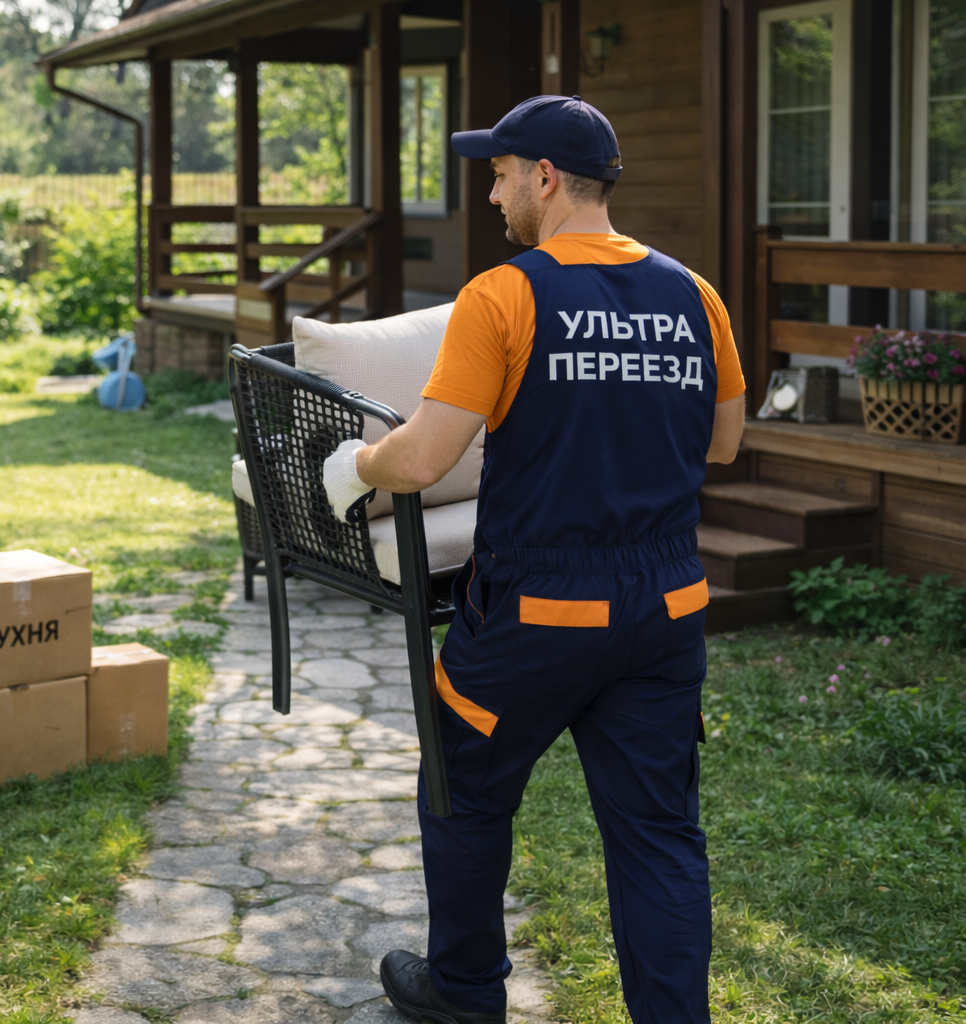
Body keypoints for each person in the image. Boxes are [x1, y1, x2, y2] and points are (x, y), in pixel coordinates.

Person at [321, 95, 744, 1024]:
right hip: (666, 610)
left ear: (545, 179)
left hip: (538, 611)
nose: (492, 192)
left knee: (464, 790)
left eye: (502, 173)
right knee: (660, 835)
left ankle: (466, 994)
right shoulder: (694, 293)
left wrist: (353, 467)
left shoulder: (504, 293)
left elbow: (426, 456)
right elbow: (724, 443)